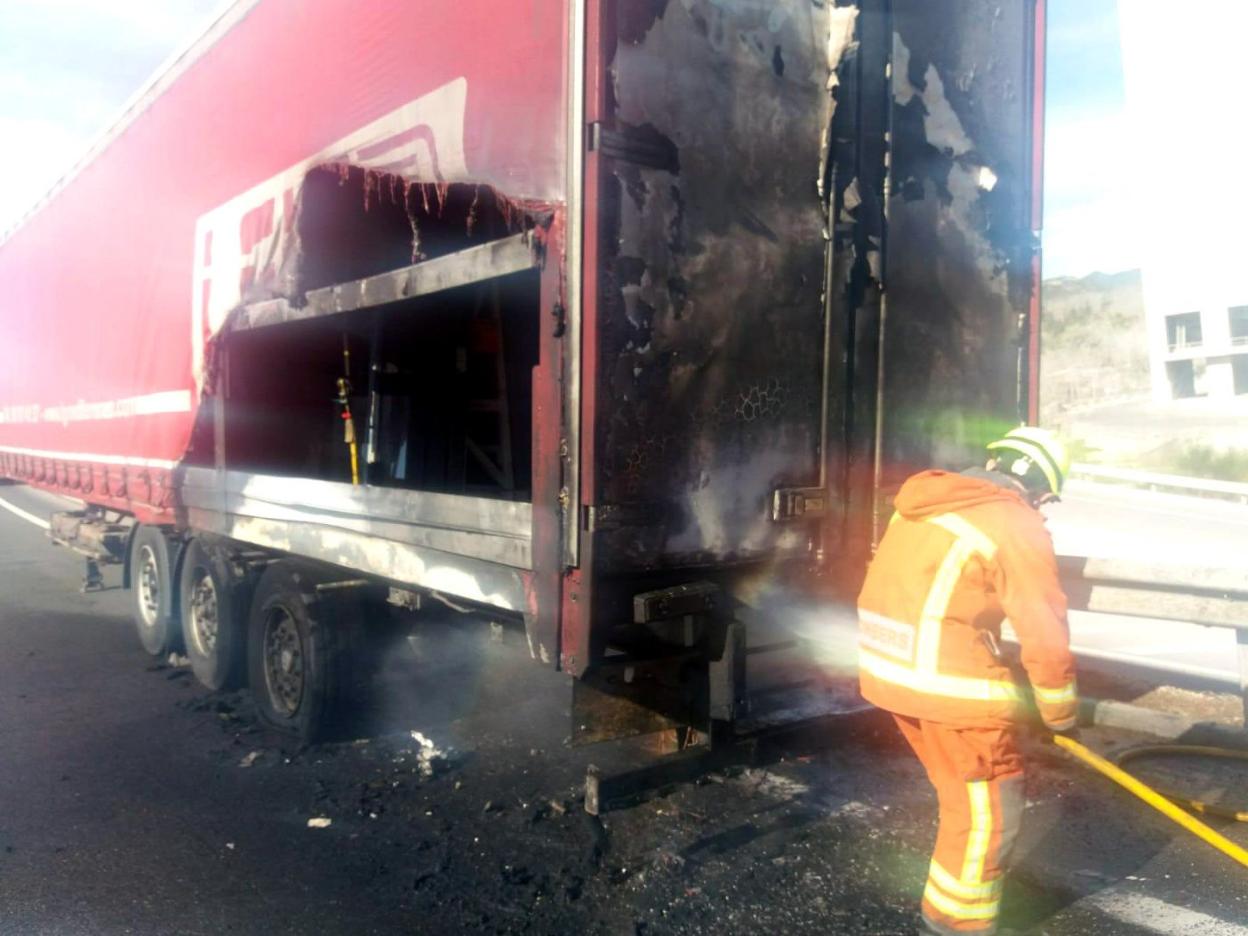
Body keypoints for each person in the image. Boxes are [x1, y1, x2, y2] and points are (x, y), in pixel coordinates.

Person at [856, 426, 1079, 936]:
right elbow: (1044, 629)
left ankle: (945, 912)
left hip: (889, 674)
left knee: (960, 800)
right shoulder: (1013, 522)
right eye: (1045, 496)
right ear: (1039, 484)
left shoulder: (924, 501)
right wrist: (1059, 713)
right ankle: (956, 925)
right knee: (988, 813)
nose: (1042, 506)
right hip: (950, 691)